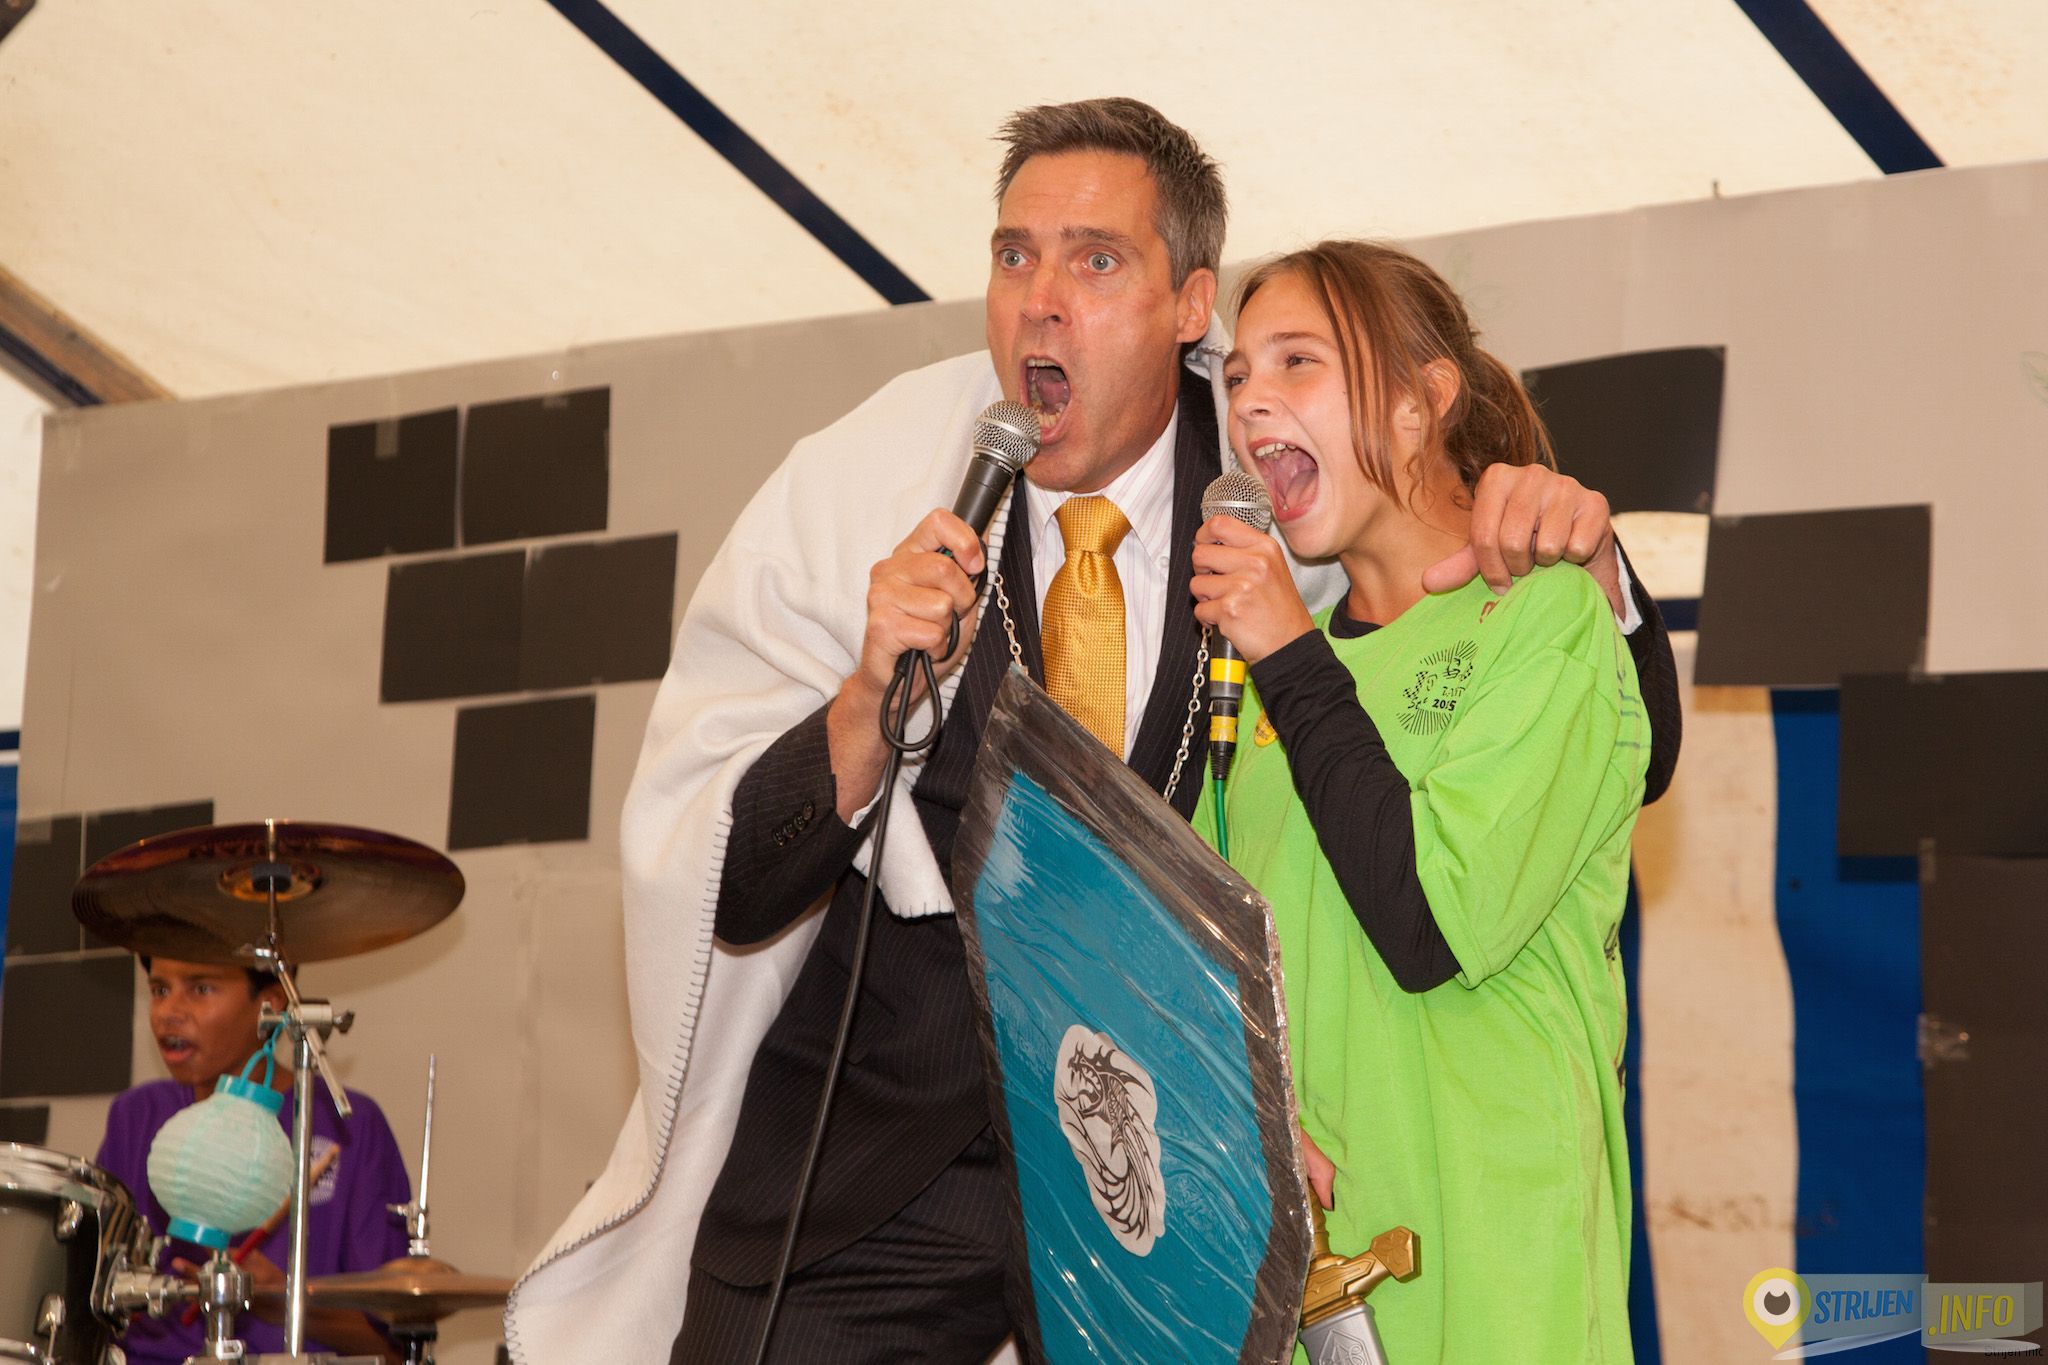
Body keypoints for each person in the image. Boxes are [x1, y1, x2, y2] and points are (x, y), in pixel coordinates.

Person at [505, 98, 1678, 1364]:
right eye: (1013, 256)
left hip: (1161, 1183)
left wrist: (1583, 555)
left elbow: (1612, 743)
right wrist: (863, 701)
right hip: (881, 1169)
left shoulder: (1284, 480)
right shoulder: (871, 478)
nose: (1040, 302)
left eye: (1096, 260)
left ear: (1188, 305)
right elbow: (734, 885)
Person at [1191, 240, 1648, 1362]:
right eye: (1237, 375)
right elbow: (1200, 954)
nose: (1249, 401)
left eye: (1296, 362)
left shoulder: (1544, 619)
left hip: (1492, 1267)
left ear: (1420, 400)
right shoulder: (1260, 681)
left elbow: (1429, 923)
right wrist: (1241, 1108)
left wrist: (1287, 655)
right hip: (1309, 1287)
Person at [95, 956, 411, 1364]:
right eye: (160, 990)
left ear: (271, 1004)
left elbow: (391, 1350)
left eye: (201, 988)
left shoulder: (347, 1124)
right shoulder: (137, 1115)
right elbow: (90, 1297)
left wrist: (282, 1298)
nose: (168, 1012)